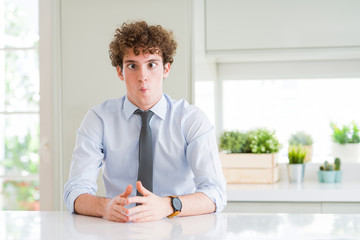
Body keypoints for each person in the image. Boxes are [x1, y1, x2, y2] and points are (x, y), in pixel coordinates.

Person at [64, 21, 227, 223]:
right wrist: (105, 206)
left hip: (179, 226)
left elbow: (215, 193)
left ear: (166, 69)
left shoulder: (192, 119)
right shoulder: (99, 119)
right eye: (132, 66)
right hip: (119, 227)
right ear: (120, 72)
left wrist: (168, 205)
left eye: (152, 64)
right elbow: (75, 191)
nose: (143, 77)